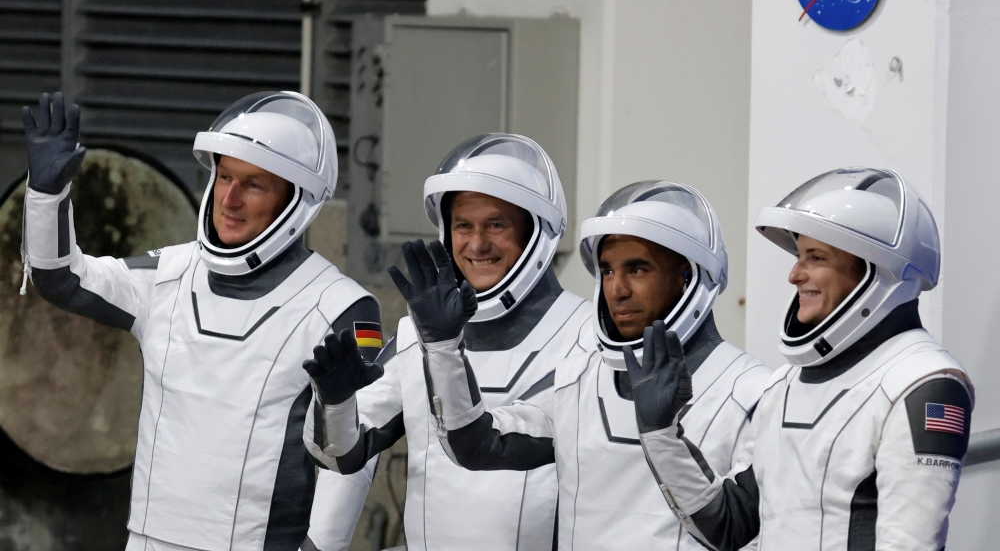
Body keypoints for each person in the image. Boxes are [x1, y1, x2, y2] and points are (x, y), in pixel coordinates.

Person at [320, 180, 770, 549]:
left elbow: (732, 528)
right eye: (608, 271)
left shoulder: (754, 393)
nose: (616, 289)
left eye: (637, 269)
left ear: (688, 276)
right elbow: (476, 445)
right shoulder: (581, 379)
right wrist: (441, 346)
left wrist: (661, 436)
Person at [21, 91, 377, 551]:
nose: (228, 199)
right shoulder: (168, 274)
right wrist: (47, 196)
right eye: (224, 176)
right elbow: (62, 278)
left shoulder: (344, 307)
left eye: (253, 184)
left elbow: (350, 457)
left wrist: (322, 546)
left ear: (295, 201)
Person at [632, 167, 974, 550]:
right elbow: (728, 527)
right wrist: (662, 434)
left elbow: (912, 545)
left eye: (816, 257)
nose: (795, 274)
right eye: (799, 256)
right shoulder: (784, 385)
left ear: (876, 271)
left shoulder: (923, 383)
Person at [303, 134, 593, 550]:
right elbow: (342, 455)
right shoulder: (413, 336)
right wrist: (334, 401)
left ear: (537, 231)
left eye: (496, 224)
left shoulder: (588, 341)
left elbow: (484, 445)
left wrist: (441, 347)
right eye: (463, 226)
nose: (476, 244)